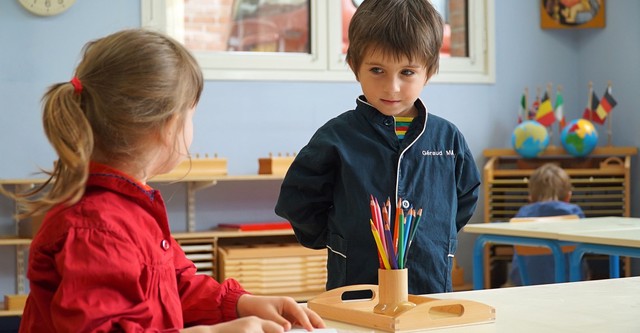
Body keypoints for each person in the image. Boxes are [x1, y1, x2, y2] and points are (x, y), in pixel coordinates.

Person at [6, 29, 324, 333]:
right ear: (167, 125)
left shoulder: (131, 209)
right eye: (191, 115)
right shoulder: (97, 229)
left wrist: (242, 303)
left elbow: (175, 283)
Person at [275, 0, 481, 295]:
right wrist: (336, 238)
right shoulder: (337, 136)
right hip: (355, 286)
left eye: (407, 72)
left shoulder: (447, 138)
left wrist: (438, 237)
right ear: (354, 67)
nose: (392, 87)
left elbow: (465, 197)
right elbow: (299, 199)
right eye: (377, 70)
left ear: (429, 71)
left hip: (430, 285)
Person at [508, 163, 586, 286]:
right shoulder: (575, 213)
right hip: (568, 283)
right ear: (568, 196)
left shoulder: (523, 214)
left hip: (524, 283)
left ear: (531, 197)